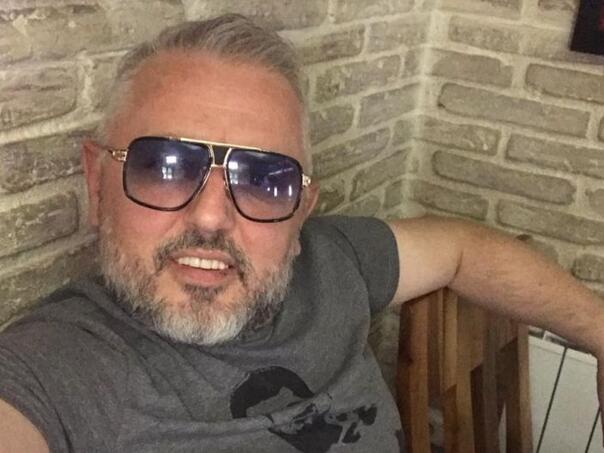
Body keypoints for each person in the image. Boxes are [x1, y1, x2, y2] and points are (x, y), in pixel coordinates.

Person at [0, 13, 603, 453]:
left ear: (301, 209)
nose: (210, 217)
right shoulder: (54, 370)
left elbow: (463, 248)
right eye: (163, 167)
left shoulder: (333, 260)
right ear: (97, 182)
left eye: (263, 179)